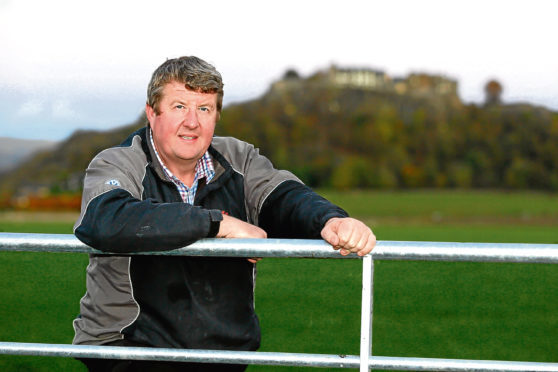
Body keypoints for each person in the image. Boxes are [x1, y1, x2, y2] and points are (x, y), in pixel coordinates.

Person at [72, 56, 376, 372]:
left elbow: (285, 196)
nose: (192, 121)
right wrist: (218, 224)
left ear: (216, 116)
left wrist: (330, 220)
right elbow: (105, 219)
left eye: (204, 109)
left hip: (223, 356)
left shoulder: (239, 159)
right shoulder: (119, 163)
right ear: (152, 112)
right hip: (131, 352)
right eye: (179, 107)